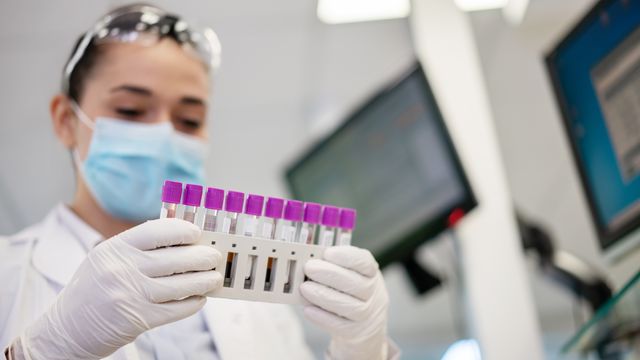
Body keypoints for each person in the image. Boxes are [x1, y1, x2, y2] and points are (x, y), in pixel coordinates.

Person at [0, 4, 397, 360]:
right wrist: (47, 350)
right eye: (131, 109)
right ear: (65, 121)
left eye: (188, 120)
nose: (163, 135)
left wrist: (363, 352)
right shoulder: (9, 273)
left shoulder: (256, 300)